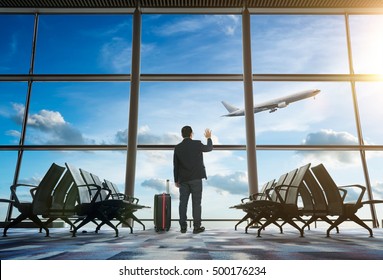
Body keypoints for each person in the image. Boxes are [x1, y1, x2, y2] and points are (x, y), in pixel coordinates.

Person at [173, 126, 213, 234]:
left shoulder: (177, 147)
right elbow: (209, 148)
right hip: (196, 178)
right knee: (196, 204)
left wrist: (176, 180)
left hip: (183, 180)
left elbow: (175, 166)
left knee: (183, 203)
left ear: (182, 135)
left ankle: (183, 227)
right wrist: (208, 138)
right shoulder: (197, 144)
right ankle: (196, 227)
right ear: (191, 134)